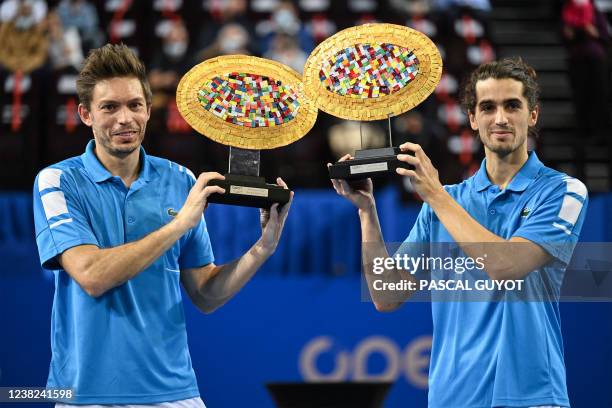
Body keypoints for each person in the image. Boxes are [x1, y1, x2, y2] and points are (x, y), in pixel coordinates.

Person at [32, 43, 292, 407]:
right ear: (85, 114)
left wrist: (262, 248)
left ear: (149, 111)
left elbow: (205, 293)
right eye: (109, 107)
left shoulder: (181, 180)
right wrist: (177, 224)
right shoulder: (57, 181)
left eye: (135, 105)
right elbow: (91, 275)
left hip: (176, 394)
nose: (125, 118)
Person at [330, 57, 588, 408]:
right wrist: (367, 212)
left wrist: (434, 193)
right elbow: (387, 295)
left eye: (512, 106)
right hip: (452, 399)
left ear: (533, 115)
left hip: (532, 398)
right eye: (488, 107)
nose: (500, 118)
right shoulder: (446, 201)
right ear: (472, 118)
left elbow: (505, 266)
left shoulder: (563, 191)